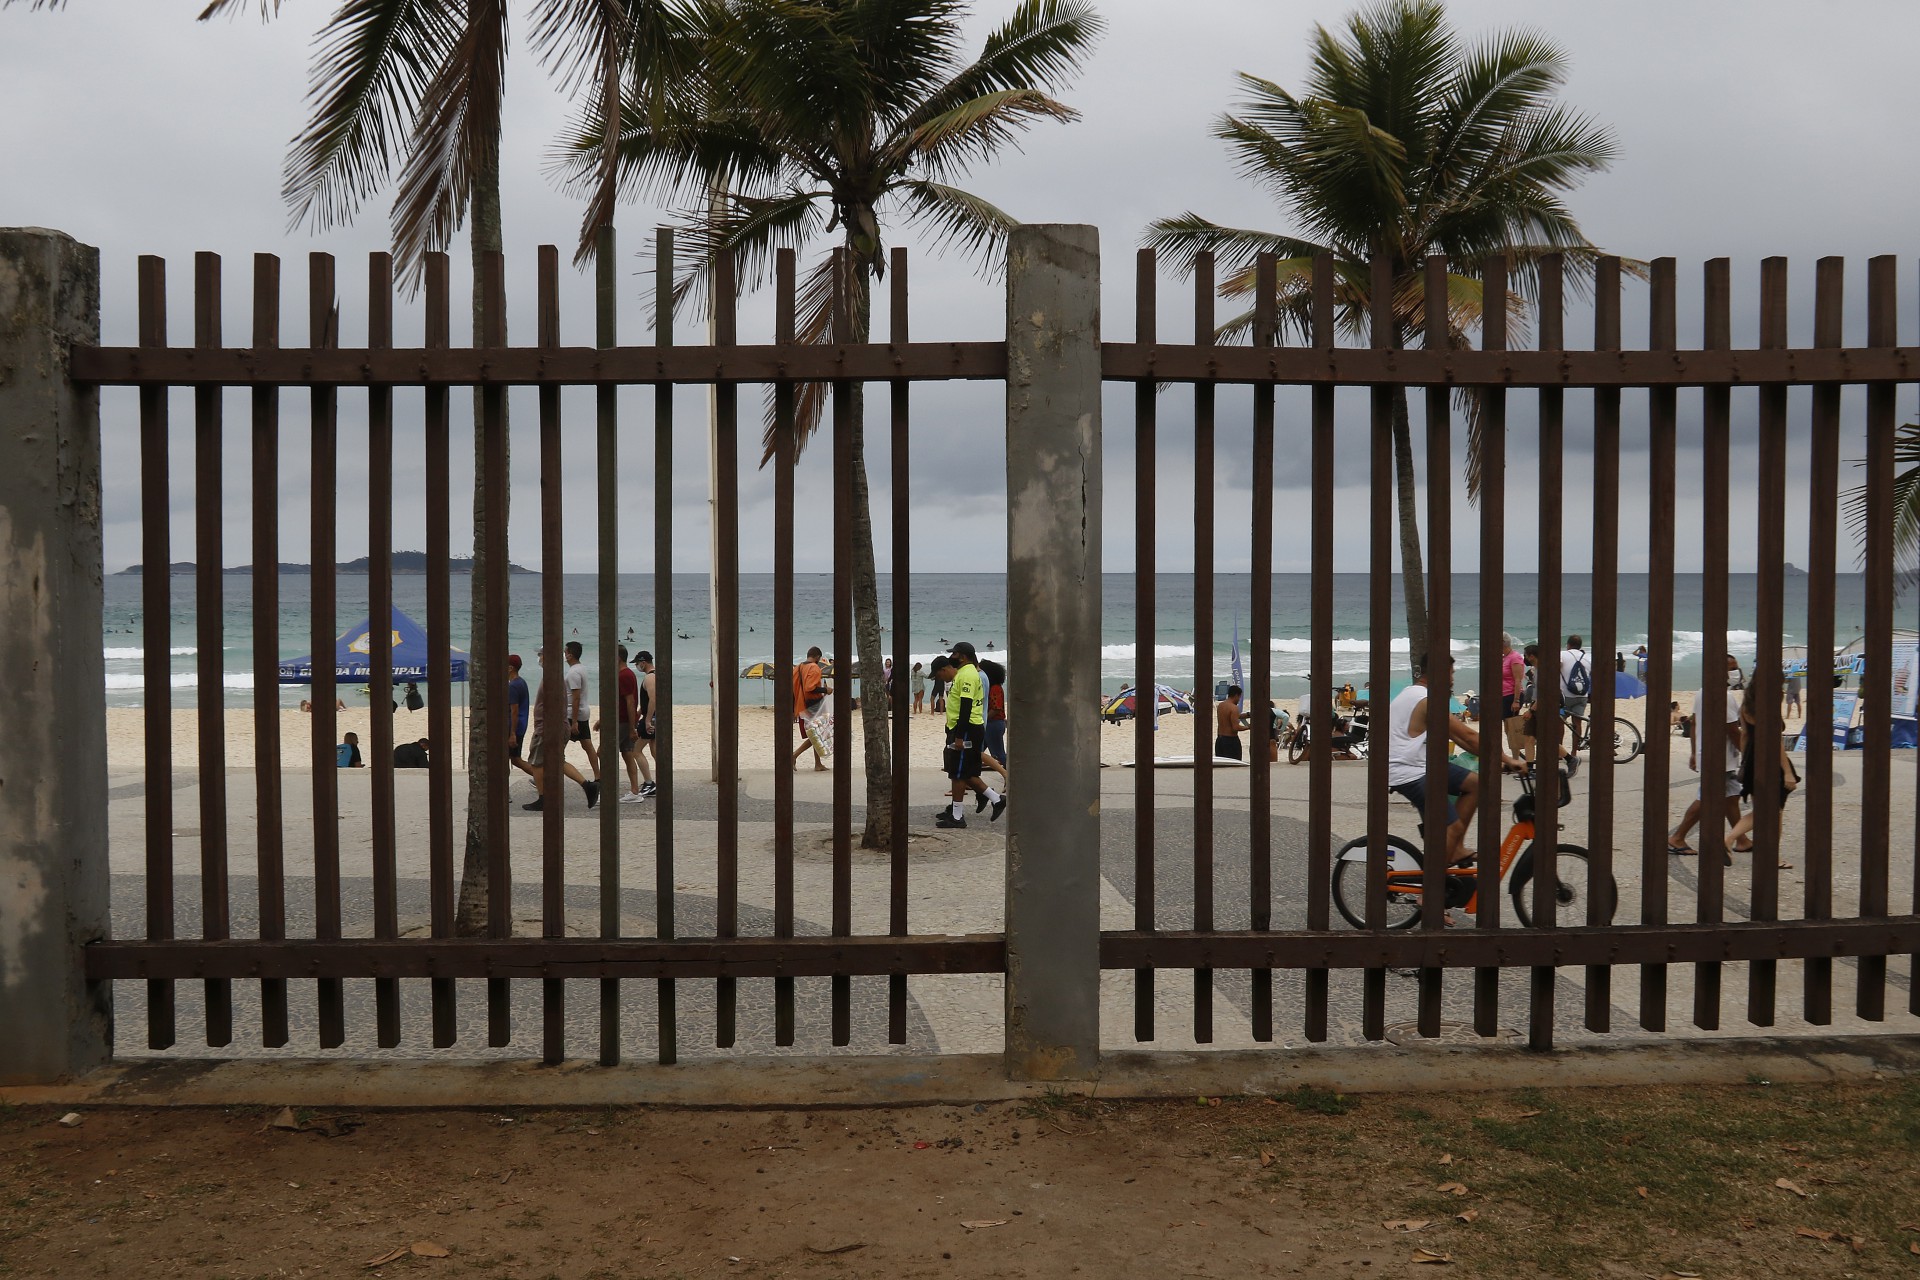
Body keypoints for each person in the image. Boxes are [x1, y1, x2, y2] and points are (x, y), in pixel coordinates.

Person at [1386, 654, 1527, 866]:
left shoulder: (1413, 694)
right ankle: (1429, 892)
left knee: (1476, 784)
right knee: (1452, 828)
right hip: (1408, 772)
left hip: (1422, 765)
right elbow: (1468, 737)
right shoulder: (1426, 700)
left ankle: (1454, 848)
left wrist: (1495, 761)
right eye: (1451, 674)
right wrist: (1508, 758)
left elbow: (1463, 740)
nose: (1452, 680)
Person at [1666, 676, 1746, 858]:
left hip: (1710, 753)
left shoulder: (1702, 692)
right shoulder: (1725, 696)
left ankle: (1741, 840)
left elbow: (1693, 723)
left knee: (1731, 797)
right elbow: (1732, 730)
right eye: (1730, 668)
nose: (1734, 673)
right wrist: (1747, 754)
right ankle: (1677, 838)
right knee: (1707, 798)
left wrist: (1694, 751)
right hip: (1720, 756)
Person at [515, 649, 598, 811]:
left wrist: (544, 728)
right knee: (558, 761)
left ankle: (543, 798)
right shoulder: (555, 675)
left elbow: (551, 704)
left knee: (537, 763)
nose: (539, 658)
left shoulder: (551, 677)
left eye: (541, 655)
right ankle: (588, 786)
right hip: (556, 725)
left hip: (548, 727)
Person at [1728, 680, 1799, 860]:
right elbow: (1777, 743)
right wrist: (1788, 772)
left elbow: (1744, 735)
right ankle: (1730, 839)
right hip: (1770, 761)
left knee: (1764, 809)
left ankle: (1768, 855)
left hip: (1752, 759)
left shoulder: (1746, 706)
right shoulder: (1768, 706)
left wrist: (1745, 761)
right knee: (1773, 811)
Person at [934, 644, 1004, 828]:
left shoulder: (967, 675)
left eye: (955, 654)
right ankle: (993, 799)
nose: (953, 657)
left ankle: (960, 815)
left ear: (963, 657)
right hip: (964, 727)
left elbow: (966, 705)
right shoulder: (966, 672)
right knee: (962, 771)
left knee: (959, 772)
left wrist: (958, 736)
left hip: (966, 728)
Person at [614, 645, 652, 803]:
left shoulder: (625, 675)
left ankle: (605, 789)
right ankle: (635, 790)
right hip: (623, 720)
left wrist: (632, 726)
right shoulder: (624, 675)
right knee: (628, 753)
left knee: (604, 753)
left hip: (623, 722)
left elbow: (630, 702)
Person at [791, 646, 831, 771]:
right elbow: (810, 687)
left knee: (814, 733)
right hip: (814, 705)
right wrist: (826, 690)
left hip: (801, 705)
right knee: (817, 734)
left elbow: (793, 690)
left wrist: (793, 709)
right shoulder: (814, 667)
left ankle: (818, 764)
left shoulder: (798, 668)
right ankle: (794, 755)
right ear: (818, 657)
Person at [564, 641, 599, 777]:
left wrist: (573, 722)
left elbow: (576, 697)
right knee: (587, 746)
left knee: (556, 747)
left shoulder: (573, 673)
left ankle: (544, 776)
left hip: (573, 714)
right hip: (581, 713)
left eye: (565, 652)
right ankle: (598, 776)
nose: (564, 654)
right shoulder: (581, 668)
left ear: (570, 655)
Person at [979, 658, 1010, 786]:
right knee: (976, 752)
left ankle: (1010, 777)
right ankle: (970, 779)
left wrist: (983, 719)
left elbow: (996, 708)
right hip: (991, 723)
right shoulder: (991, 686)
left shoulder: (995, 688)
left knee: (998, 754)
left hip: (993, 724)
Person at [1559, 634, 1592, 746]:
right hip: (1582, 697)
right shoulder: (1587, 657)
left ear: (1568, 645)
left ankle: (1560, 751)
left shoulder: (1562, 654)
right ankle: (1574, 752)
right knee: (1577, 723)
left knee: (1560, 721)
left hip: (1565, 698)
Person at [634, 650, 659, 799]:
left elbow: (653, 699)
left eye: (637, 663)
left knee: (636, 750)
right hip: (656, 717)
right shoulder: (657, 675)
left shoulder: (649, 678)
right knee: (655, 751)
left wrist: (647, 719)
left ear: (643, 662)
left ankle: (649, 783)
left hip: (652, 718)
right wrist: (639, 711)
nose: (637, 666)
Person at [1499, 633, 1527, 754]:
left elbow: (1518, 680)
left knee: (1512, 727)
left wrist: (1516, 700)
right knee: (1507, 727)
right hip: (1503, 695)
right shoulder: (1504, 657)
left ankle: (1516, 757)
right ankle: (1516, 754)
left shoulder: (1515, 657)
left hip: (1511, 695)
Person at [505, 654, 531, 764]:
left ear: (510, 668)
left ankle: (541, 778)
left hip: (516, 726)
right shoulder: (521, 682)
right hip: (521, 724)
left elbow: (514, 711)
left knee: (516, 759)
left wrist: (512, 734)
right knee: (514, 759)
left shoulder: (513, 686)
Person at [1214, 684, 1248, 760]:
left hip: (1220, 739)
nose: (1239, 700)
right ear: (1236, 695)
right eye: (1239, 697)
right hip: (1230, 740)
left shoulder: (1221, 705)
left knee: (1222, 765)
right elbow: (1235, 727)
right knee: (1234, 764)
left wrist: (1248, 715)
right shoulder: (1234, 708)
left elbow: (1230, 717)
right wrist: (1248, 727)